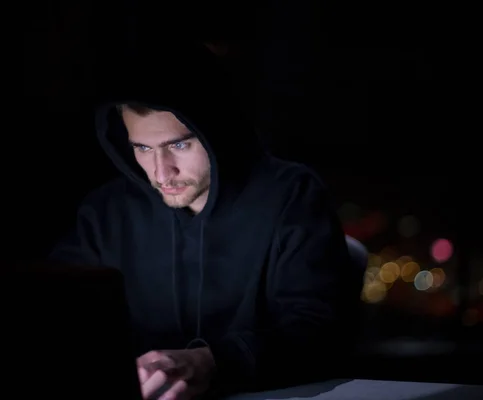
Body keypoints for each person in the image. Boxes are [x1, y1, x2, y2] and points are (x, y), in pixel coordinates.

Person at [49, 49, 361, 399]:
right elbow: (55, 315)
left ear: (218, 133)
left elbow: (319, 333)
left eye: (179, 144)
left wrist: (213, 362)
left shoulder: (291, 195)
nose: (161, 172)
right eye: (143, 148)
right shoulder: (106, 212)